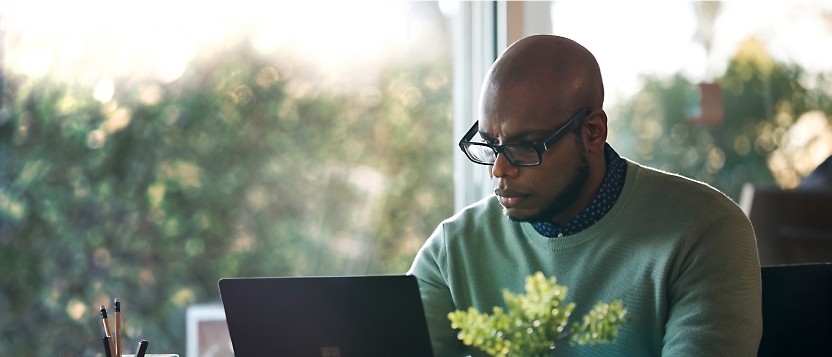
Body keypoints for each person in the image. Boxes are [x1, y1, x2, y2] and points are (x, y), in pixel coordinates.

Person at [408, 35, 762, 356]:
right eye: (490, 144)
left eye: (525, 147)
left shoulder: (703, 230)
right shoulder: (454, 248)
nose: (499, 169)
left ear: (593, 132)